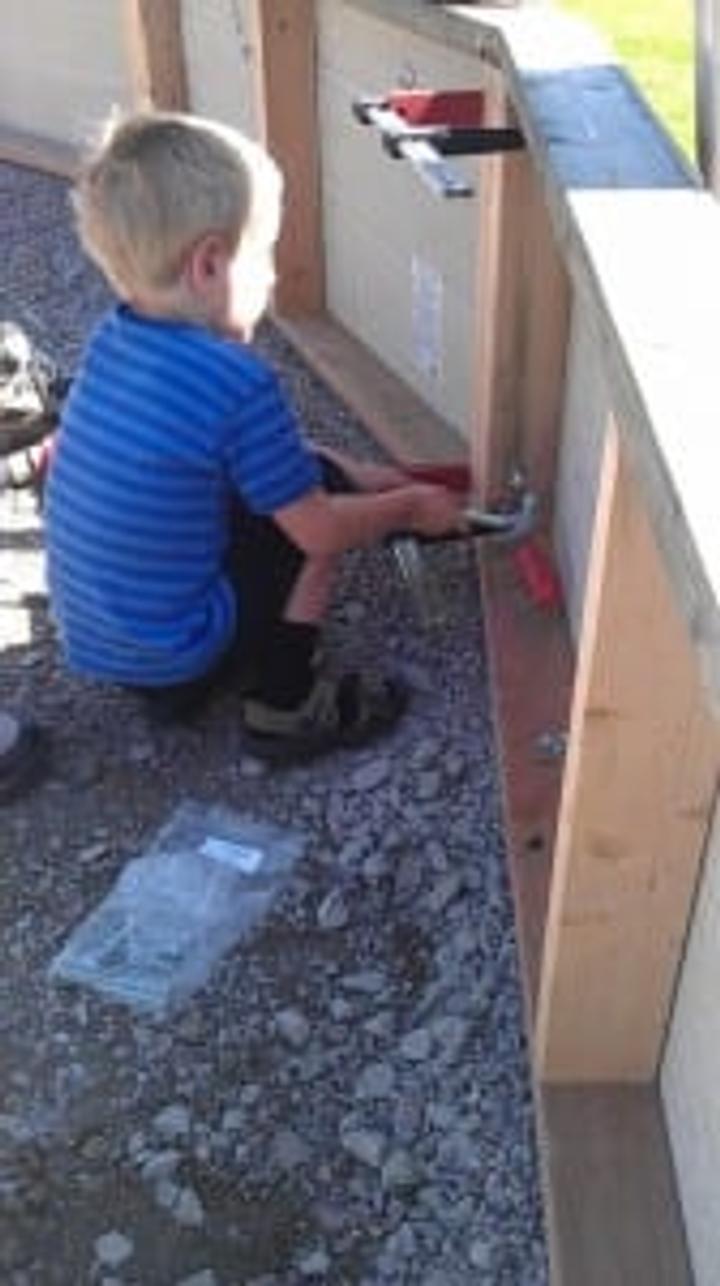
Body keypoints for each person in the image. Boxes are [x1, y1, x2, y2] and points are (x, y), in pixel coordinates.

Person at [44, 112, 465, 762]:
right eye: (265, 255)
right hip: (176, 652)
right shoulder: (237, 381)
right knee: (312, 532)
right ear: (210, 264)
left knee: (307, 484)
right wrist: (407, 508)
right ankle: (285, 706)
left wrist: (372, 479)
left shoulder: (115, 339)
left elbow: (273, 465)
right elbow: (319, 528)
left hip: (97, 639)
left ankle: (224, 664)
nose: (273, 276)